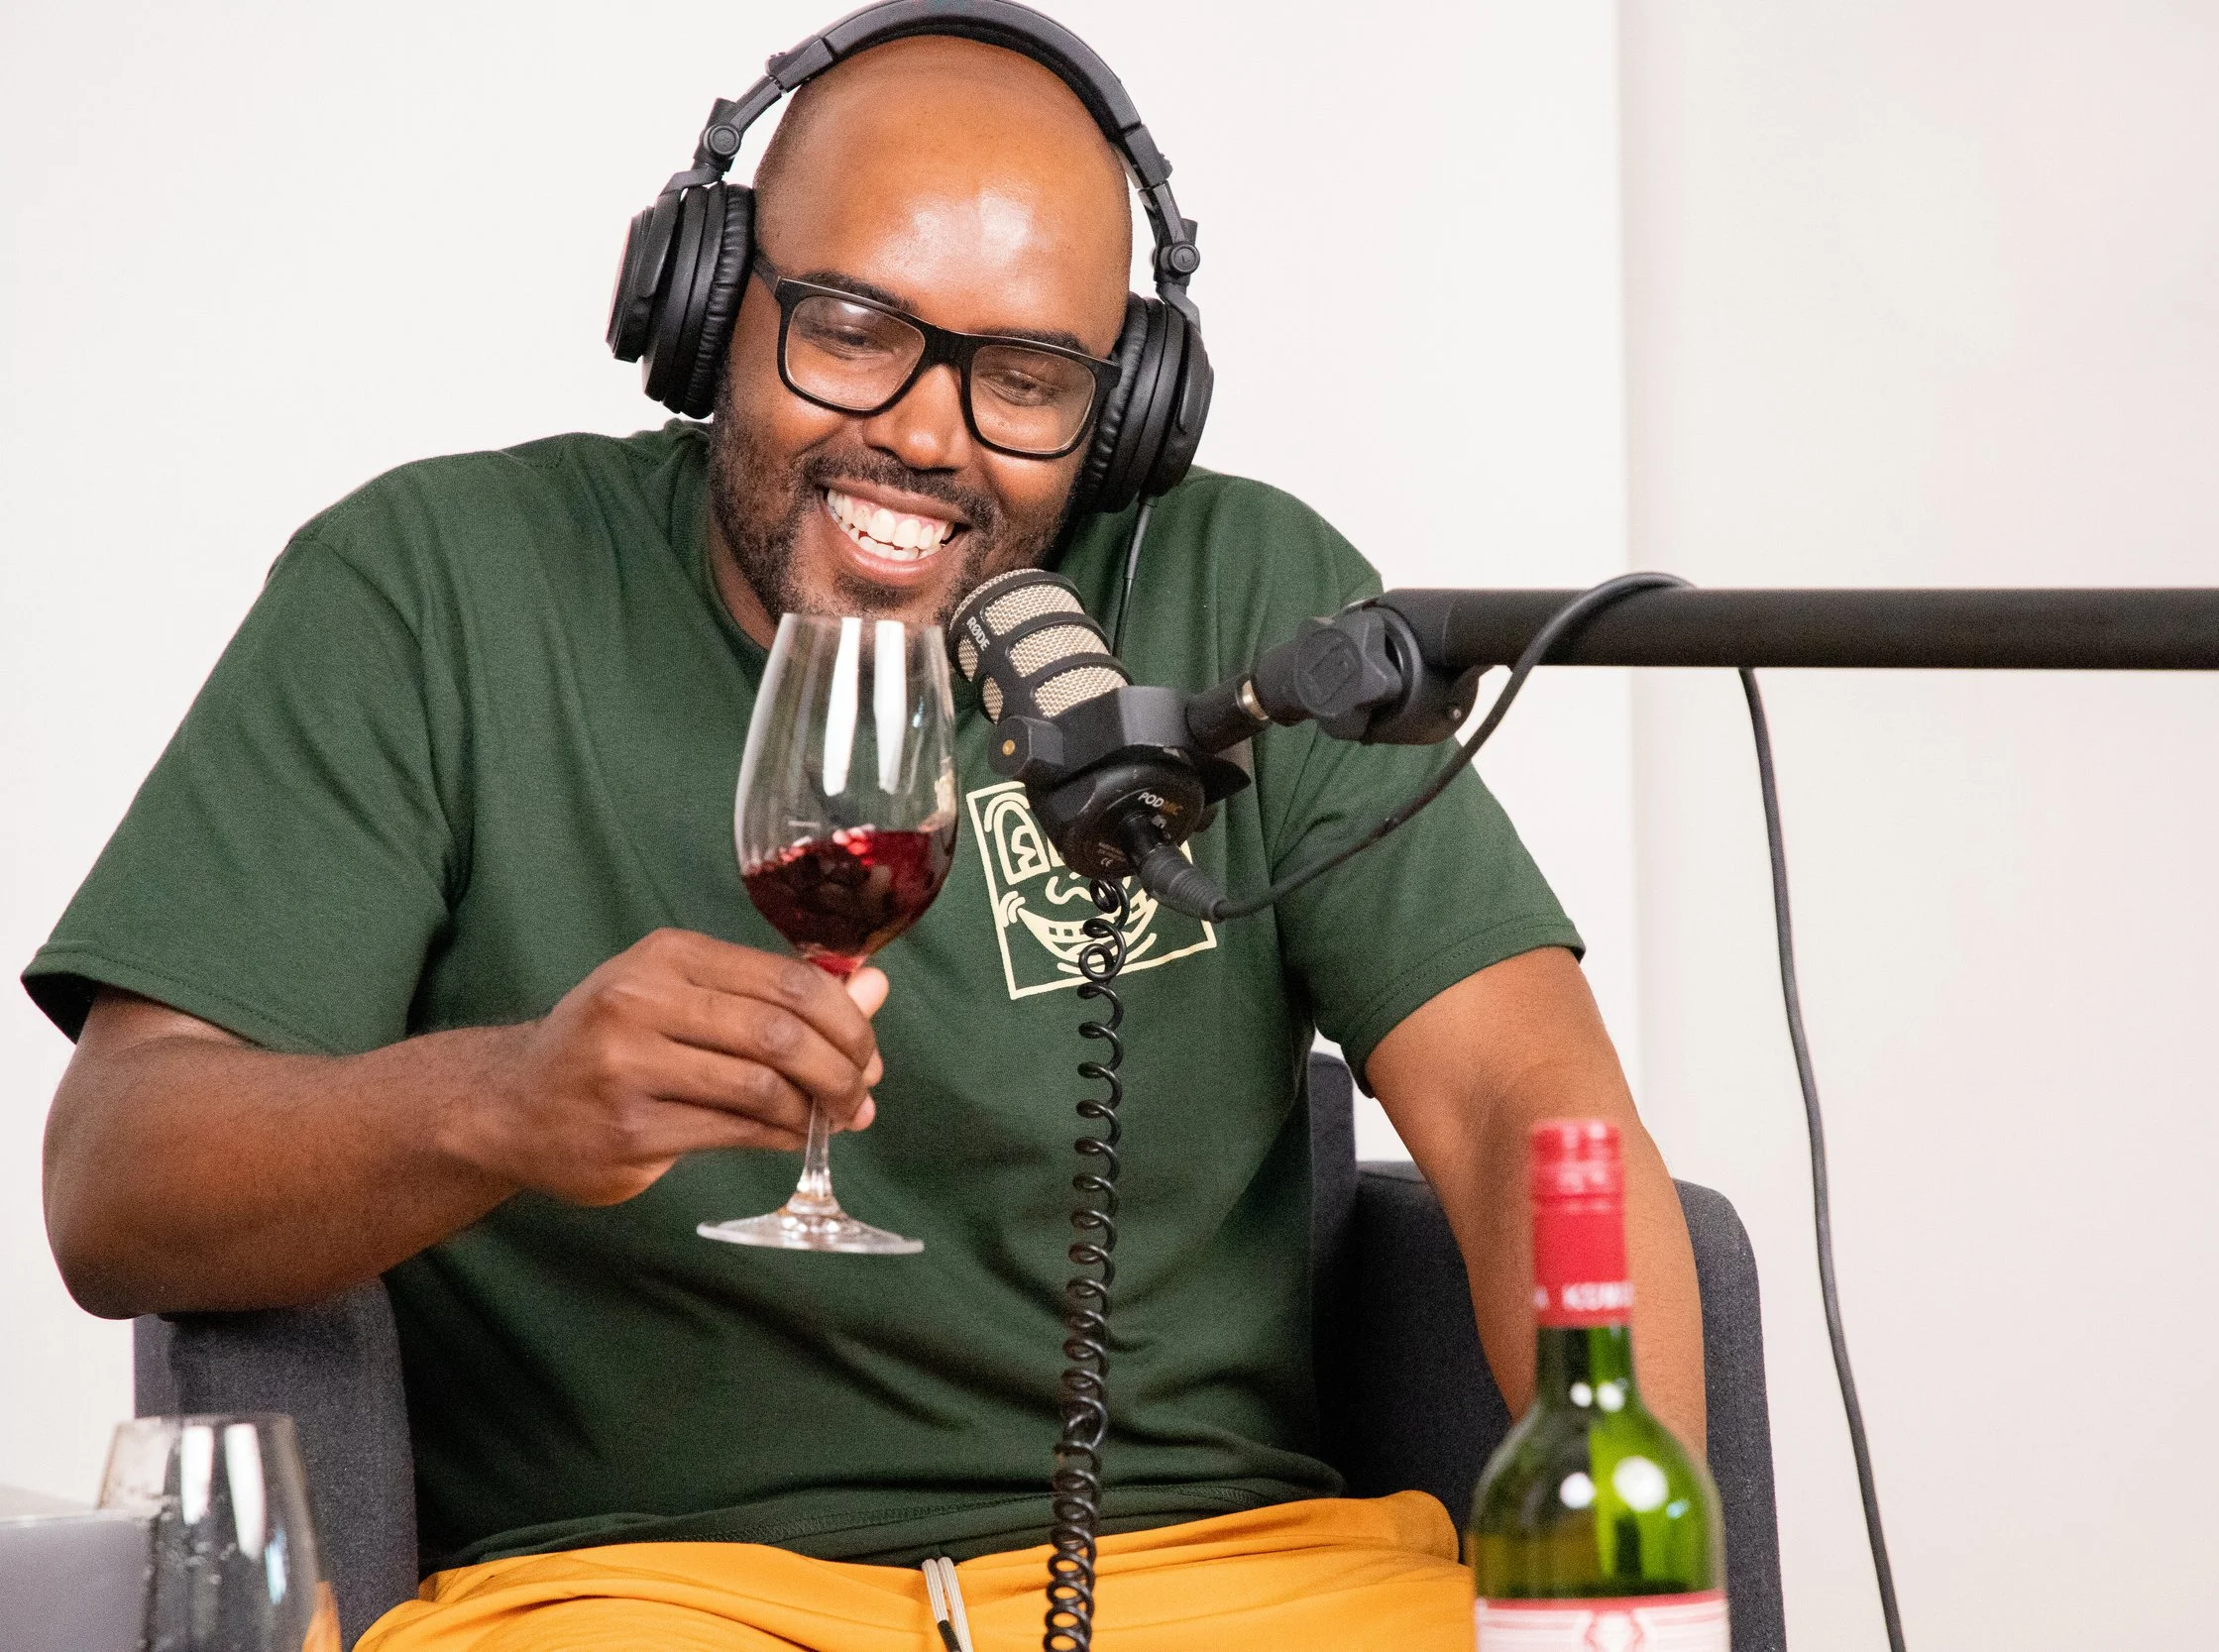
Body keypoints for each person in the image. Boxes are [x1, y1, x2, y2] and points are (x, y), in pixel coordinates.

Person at [29, 18, 1703, 1650]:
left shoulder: (1245, 602)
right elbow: (116, 1176)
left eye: (1027, 378)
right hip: (649, 1600)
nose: (920, 428)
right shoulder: (435, 587)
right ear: (703, 308)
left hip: (1227, 1579)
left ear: (1123, 412)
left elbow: (1523, 1114)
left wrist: (1645, 1571)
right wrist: (502, 1100)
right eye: (849, 328)